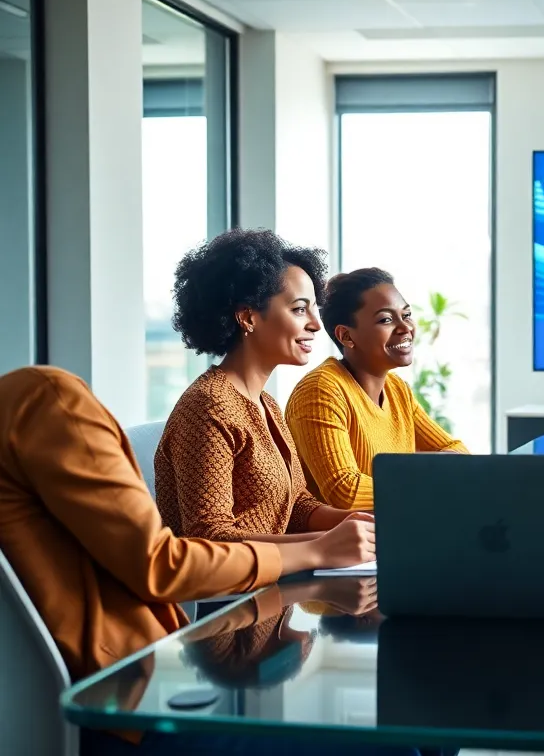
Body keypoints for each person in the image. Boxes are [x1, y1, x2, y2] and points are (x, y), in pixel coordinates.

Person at [0, 365, 378, 755]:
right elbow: (161, 564)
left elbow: (295, 503)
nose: (313, 330)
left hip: (140, 684)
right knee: (389, 743)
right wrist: (317, 550)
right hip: (133, 701)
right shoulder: (46, 396)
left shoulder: (24, 399)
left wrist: (334, 535)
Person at [155, 229, 361, 542]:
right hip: (228, 578)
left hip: (276, 571)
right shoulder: (208, 407)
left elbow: (295, 507)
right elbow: (210, 538)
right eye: (299, 309)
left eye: (314, 309)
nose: (316, 324)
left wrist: (369, 521)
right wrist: (323, 547)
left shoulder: (266, 404)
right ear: (248, 317)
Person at [285, 268, 469, 511]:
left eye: (406, 315)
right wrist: (430, 479)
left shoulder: (397, 390)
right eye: (386, 320)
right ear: (346, 336)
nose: (405, 327)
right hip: (343, 534)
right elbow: (345, 491)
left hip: (397, 525)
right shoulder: (321, 390)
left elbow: (458, 452)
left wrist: (418, 476)